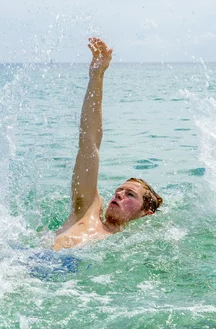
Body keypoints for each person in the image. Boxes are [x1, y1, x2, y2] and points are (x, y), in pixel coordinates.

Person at [53, 37, 162, 251]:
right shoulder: (86, 212)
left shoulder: (128, 246)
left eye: (130, 195)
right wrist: (97, 76)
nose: (119, 194)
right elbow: (89, 142)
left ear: (145, 213)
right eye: (119, 191)